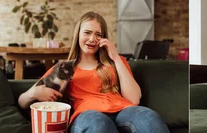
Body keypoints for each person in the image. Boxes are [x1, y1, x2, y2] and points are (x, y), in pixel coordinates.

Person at [17, 12, 169, 133]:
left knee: (148, 116)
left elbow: (134, 99)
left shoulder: (116, 62)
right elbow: (22, 101)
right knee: (98, 122)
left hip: (123, 111)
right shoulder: (65, 68)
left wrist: (115, 57)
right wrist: (35, 93)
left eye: (98, 34)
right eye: (87, 32)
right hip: (88, 115)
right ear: (78, 35)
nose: (92, 39)